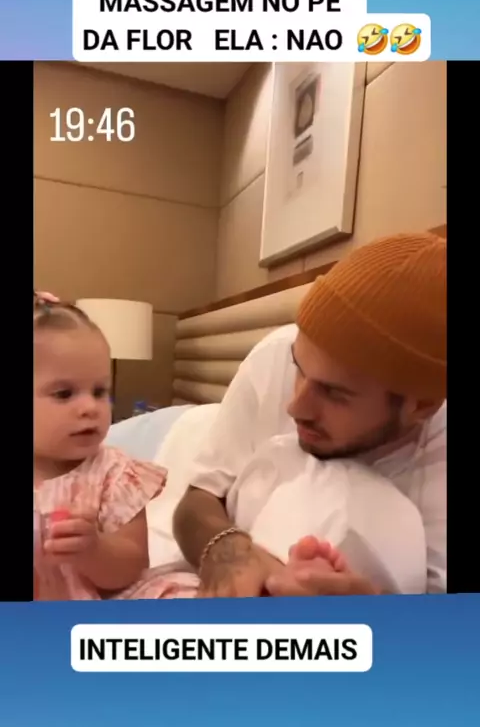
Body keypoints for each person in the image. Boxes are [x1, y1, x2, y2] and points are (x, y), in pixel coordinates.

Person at [173, 231, 447, 597]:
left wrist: (372, 610)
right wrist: (227, 550)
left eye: (334, 393)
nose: (295, 407)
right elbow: (196, 500)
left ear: (421, 406)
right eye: (299, 369)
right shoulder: (274, 354)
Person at [34, 297, 197, 600]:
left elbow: (132, 564)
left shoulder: (114, 473)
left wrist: (94, 549)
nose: (90, 407)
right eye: (64, 393)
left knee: (180, 592)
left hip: (95, 604)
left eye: (100, 391)